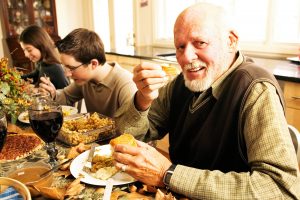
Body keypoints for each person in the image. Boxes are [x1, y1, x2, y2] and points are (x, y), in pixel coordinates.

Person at [113, 3, 300, 199]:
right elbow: (125, 137)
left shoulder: (256, 90)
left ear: (230, 41)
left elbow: (281, 188)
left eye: (200, 43)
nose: (187, 57)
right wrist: (143, 99)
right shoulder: (179, 84)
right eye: (180, 46)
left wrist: (167, 174)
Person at [39, 28, 137, 118]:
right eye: (64, 67)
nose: (67, 74)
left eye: (71, 68)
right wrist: (53, 94)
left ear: (93, 64)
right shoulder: (85, 79)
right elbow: (66, 96)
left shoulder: (126, 84)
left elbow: (132, 128)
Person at [19, 25, 69, 89]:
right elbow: (34, 76)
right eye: (24, 50)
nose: (26, 54)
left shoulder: (53, 67)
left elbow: (68, 94)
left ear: (41, 45)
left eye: (29, 50)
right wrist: (14, 78)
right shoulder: (42, 63)